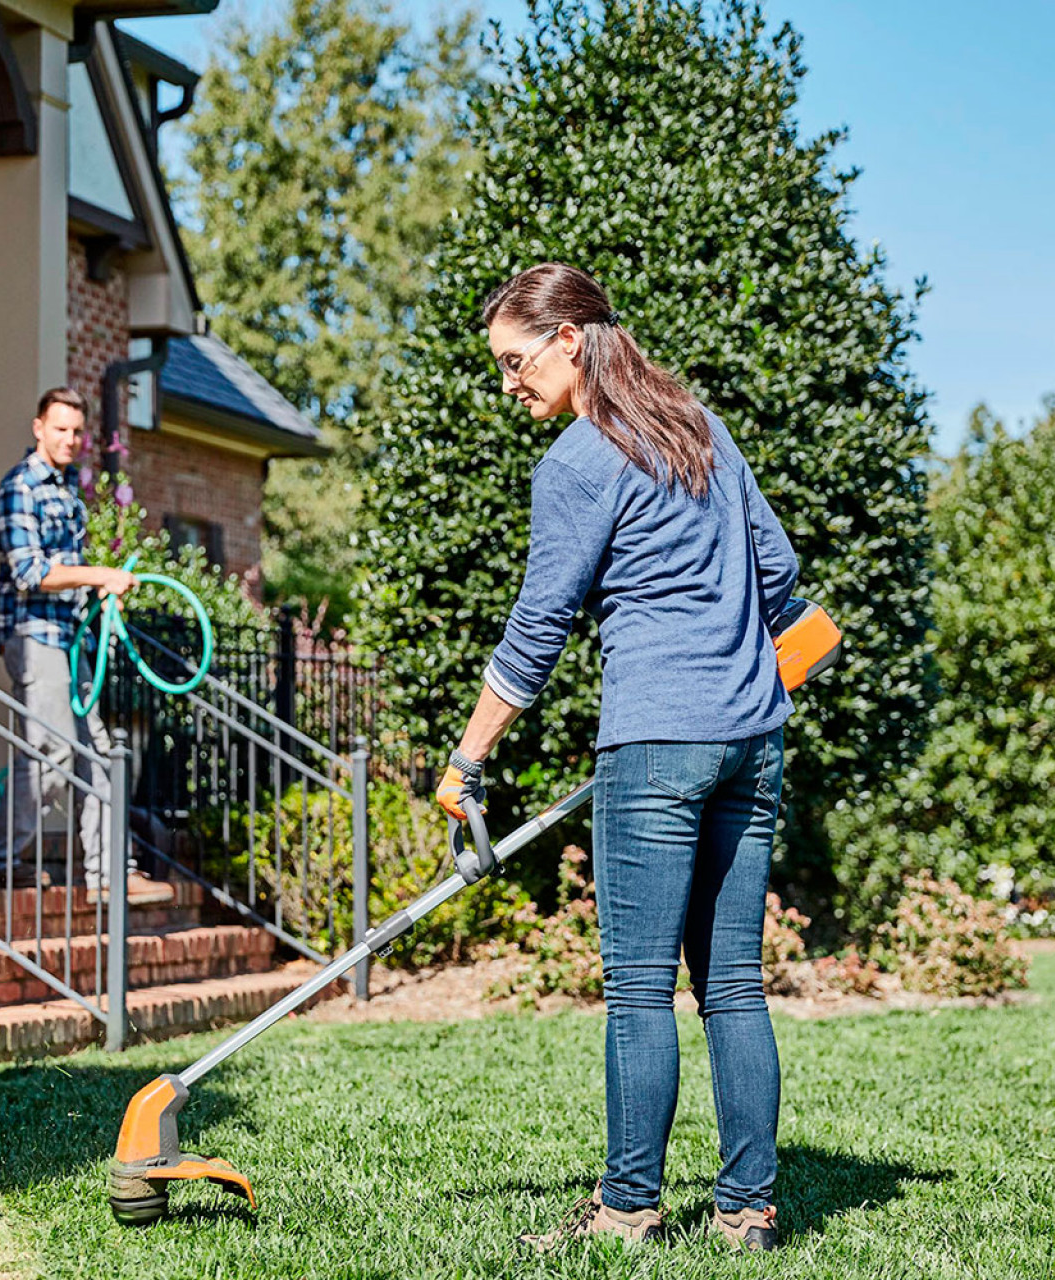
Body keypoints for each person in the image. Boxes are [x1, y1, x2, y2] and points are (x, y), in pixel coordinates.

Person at [436, 264, 798, 1253]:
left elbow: (537, 629)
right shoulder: (698, 429)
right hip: (750, 742)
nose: (507, 381)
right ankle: (747, 1213)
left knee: (639, 989)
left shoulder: (577, 461)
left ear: (566, 340)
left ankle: (628, 1209)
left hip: (653, 741)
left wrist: (465, 757)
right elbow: (776, 573)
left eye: (514, 361)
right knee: (731, 986)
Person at [0, 386, 174, 908]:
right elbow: (29, 572)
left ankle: (111, 872)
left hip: (69, 638)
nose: (69, 439)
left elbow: (68, 572)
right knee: (52, 749)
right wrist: (98, 573)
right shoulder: (20, 487)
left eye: (75, 431)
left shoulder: (67, 490)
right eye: (59, 428)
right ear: (38, 427)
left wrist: (98, 587)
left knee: (97, 751)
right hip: (34, 634)